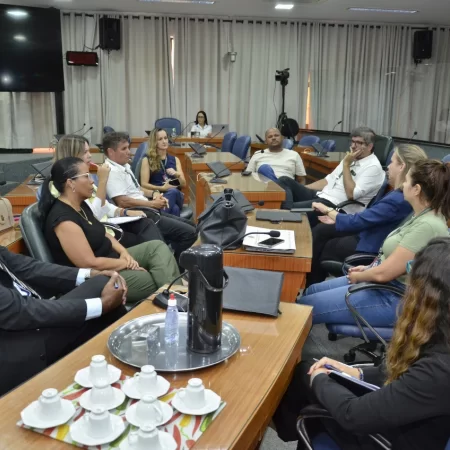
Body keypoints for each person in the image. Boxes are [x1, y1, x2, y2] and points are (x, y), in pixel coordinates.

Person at [273, 237, 450, 450]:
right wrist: (357, 373)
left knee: (308, 377)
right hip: (405, 418)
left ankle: (271, 426)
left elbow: (352, 415)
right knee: (314, 376)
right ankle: (279, 425)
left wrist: (318, 378)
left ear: (430, 295)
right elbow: (406, 375)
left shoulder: (439, 368)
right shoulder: (439, 337)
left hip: (391, 439)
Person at [298, 159, 450, 328]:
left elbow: (383, 275)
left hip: (394, 297)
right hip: (383, 284)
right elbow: (392, 264)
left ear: (416, 189)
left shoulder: (428, 225)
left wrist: (360, 276)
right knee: (311, 290)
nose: (403, 185)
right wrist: (368, 268)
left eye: (407, 181)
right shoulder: (421, 216)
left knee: (305, 306)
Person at [40, 157, 180, 304]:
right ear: (71, 183)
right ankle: (177, 304)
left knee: (157, 247)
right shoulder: (64, 221)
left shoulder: (80, 204)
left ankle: (176, 301)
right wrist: (125, 264)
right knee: (155, 279)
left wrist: (124, 253)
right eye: (86, 176)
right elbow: (89, 263)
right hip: (96, 278)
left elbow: (103, 233)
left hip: (111, 259)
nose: (92, 181)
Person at [0, 245, 128, 396]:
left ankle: (113, 376)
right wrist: (102, 304)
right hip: (16, 350)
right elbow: (22, 311)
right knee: (101, 289)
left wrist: (90, 274)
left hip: (32, 319)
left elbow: (30, 268)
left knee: (103, 282)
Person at [306, 144, 427, 287]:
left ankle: (309, 286)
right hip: (368, 231)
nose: (388, 166)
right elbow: (369, 216)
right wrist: (336, 218)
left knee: (324, 243)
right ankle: (309, 283)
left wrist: (328, 210)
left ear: (402, 166)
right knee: (322, 230)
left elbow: (362, 220)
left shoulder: (399, 199)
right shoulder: (401, 194)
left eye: (392, 162)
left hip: (370, 246)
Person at [53, 134, 164, 248]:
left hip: (110, 226)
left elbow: (105, 205)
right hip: (101, 234)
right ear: (71, 155)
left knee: (147, 225)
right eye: (85, 152)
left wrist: (124, 212)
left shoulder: (85, 177)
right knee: (149, 238)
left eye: (89, 151)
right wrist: (102, 181)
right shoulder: (69, 185)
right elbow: (93, 216)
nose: (90, 155)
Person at [102, 132, 197, 263]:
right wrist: (152, 204)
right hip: (138, 215)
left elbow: (137, 190)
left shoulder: (124, 166)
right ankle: (176, 268)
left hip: (147, 207)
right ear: (111, 152)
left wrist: (154, 194)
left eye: (128, 147)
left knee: (192, 227)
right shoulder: (111, 171)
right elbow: (122, 201)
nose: (129, 152)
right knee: (190, 233)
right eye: (124, 149)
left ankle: (174, 264)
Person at [277, 127, 385, 227]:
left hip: (335, 207)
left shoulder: (373, 167)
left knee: (287, 208)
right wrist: (302, 189)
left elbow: (351, 195)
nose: (353, 146)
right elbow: (327, 181)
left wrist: (346, 165)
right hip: (321, 196)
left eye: (359, 143)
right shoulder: (351, 159)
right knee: (284, 180)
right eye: (352, 141)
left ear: (370, 146)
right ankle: (286, 212)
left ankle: (286, 213)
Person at [140, 128, 186, 217]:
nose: (164, 141)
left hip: (176, 195)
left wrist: (177, 175)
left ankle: (157, 217)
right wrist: (162, 188)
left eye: (165, 138)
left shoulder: (175, 159)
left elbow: (183, 184)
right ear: (154, 142)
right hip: (158, 196)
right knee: (175, 209)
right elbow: (143, 184)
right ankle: (167, 224)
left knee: (173, 191)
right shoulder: (147, 159)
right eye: (160, 139)